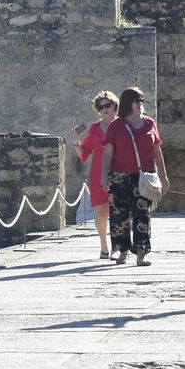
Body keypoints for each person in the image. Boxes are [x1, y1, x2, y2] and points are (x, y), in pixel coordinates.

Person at [98, 85, 168, 267]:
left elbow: (157, 151)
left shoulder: (150, 123)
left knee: (142, 214)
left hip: (144, 177)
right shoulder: (116, 125)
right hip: (119, 177)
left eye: (141, 100)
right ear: (129, 103)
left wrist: (163, 176)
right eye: (137, 100)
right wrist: (104, 177)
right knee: (119, 215)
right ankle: (122, 250)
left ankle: (141, 253)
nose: (140, 104)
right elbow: (107, 154)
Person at [68, 91, 118, 259]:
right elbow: (84, 153)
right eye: (101, 107)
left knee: (120, 212)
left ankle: (119, 246)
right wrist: (76, 141)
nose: (104, 109)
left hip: (119, 172)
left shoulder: (122, 125)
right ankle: (104, 246)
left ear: (114, 106)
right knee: (101, 213)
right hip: (97, 175)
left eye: (107, 105)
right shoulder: (95, 128)